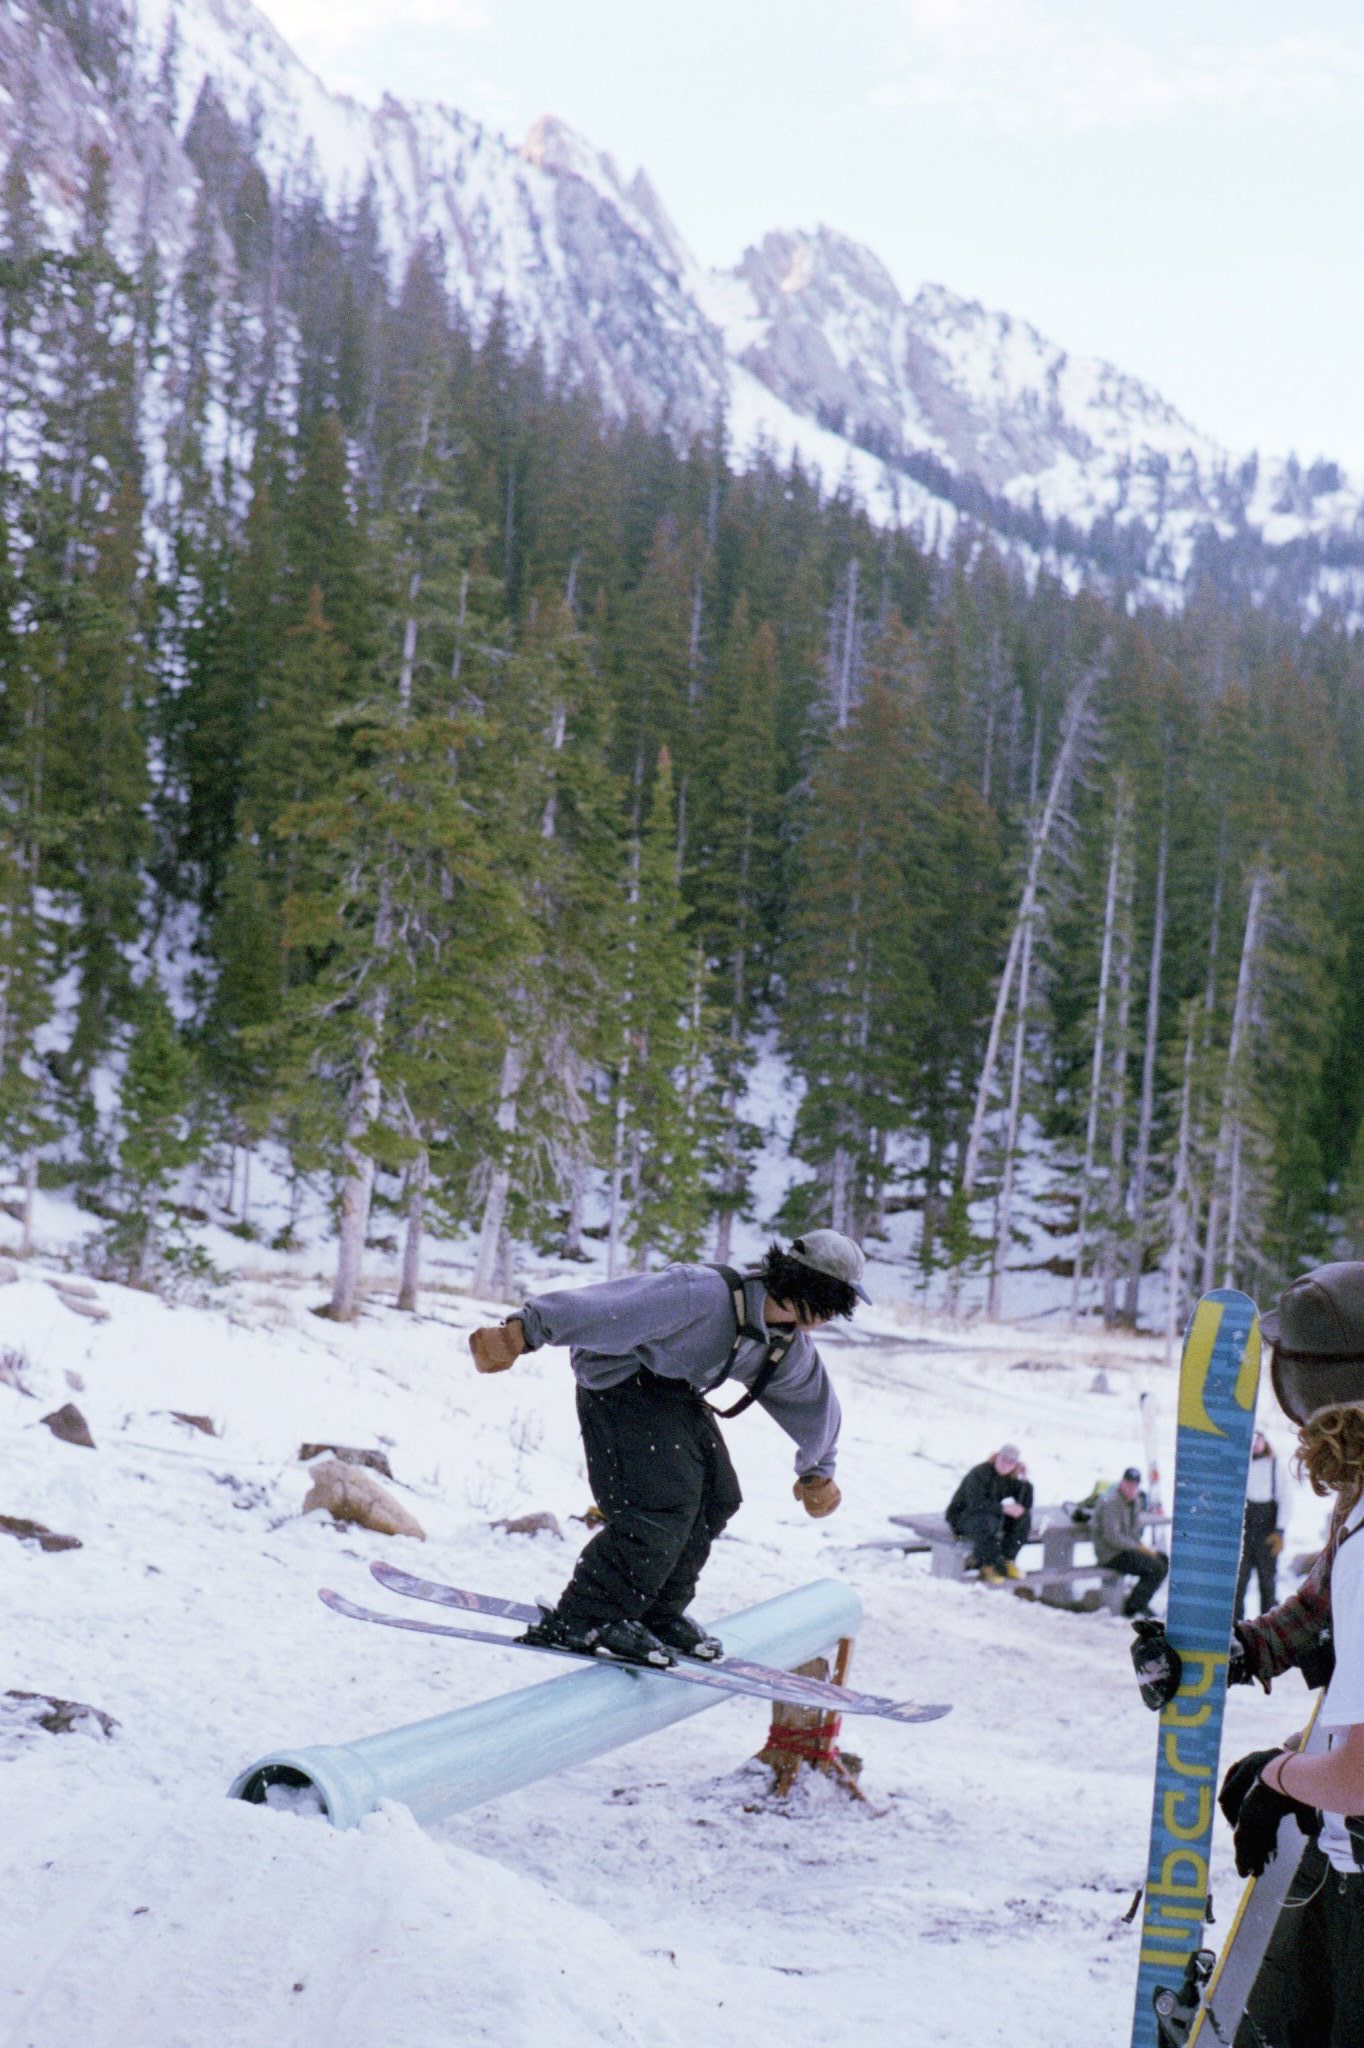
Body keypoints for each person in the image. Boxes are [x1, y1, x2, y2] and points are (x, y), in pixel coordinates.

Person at [1132, 1262, 1364, 2048]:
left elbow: (1363, 1775)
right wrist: (1230, 1652)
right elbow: (1321, 1612)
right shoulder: (1360, 1512)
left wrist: (1280, 1774)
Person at [466, 1231, 866, 1668]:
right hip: (616, 1381)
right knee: (662, 1502)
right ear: (818, 1293)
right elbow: (609, 1306)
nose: (831, 1318)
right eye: (836, 1304)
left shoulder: (783, 1340)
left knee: (718, 1497)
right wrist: (522, 1332)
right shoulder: (702, 1294)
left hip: (670, 1390)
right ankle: (587, 1615)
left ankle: (656, 1610)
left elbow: (813, 1400)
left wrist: (818, 1469)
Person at [945, 1445, 1033, 1585]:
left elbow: (1025, 1505)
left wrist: (1024, 1482)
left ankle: (1007, 1560)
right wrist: (1003, 1508)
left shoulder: (1011, 1478)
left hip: (990, 1516)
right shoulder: (979, 1473)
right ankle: (988, 1565)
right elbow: (975, 1503)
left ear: (1015, 1465)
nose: (1005, 1465)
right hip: (962, 1517)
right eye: (1003, 1459)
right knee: (988, 1523)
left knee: (1023, 1518)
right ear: (996, 1457)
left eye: (1011, 1462)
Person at [1091, 1466, 1168, 1618]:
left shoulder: (1135, 1502)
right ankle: (1132, 1608)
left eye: (1134, 1485)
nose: (1131, 1488)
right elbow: (1112, 1537)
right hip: (1110, 1553)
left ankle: (1139, 1602)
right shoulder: (1111, 1501)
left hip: (1126, 1550)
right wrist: (1138, 1548)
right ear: (1122, 1483)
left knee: (1163, 1561)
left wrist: (1143, 1548)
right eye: (1128, 1484)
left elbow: (1133, 1532)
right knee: (1155, 1569)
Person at [1234, 1429, 1285, 1623]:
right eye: (1252, 1440)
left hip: (1267, 1532)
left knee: (1267, 1583)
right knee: (1239, 1581)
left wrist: (1280, 1530)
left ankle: (1268, 1626)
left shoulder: (1275, 1466)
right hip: (1246, 1532)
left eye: (1259, 1439)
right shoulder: (1242, 1465)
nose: (1255, 1444)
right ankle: (1235, 1625)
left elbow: (1286, 1499)